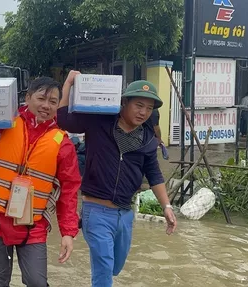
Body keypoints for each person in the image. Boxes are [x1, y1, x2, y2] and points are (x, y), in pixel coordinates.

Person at [0, 74, 81, 287]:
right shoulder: (1, 125)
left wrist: (68, 233)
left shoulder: (62, 144)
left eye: (53, 101)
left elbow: (69, 191)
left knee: (37, 282)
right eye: (41, 98)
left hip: (32, 225)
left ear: (58, 106)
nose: (46, 105)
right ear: (27, 98)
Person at [57, 70, 177, 287]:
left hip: (125, 214)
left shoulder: (148, 139)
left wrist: (166, 206)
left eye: (149, 108)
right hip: (96, 211)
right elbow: (64, 120)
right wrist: (68, 84)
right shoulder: (99, 122)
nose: (143, 112)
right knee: (103, 269)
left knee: (114, 266)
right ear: (124, 103)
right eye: (139, 105)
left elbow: (154, 174)